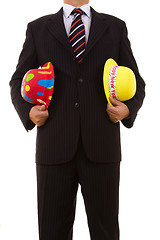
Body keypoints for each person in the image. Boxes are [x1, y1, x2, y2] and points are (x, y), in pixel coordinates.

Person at [9, 0, 145, 239]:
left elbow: (138, 83)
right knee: (52, 233)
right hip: (54, 147)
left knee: (106, 233)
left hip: (102, 147)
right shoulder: (38, 28)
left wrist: (128, 110)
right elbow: (17, 80)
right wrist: (29, 111)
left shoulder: (115, 27)